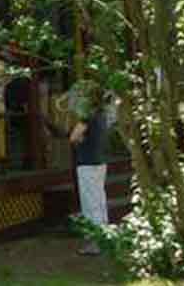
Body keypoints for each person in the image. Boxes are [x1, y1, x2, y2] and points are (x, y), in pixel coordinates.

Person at [71, 104, 108, 256]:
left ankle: (95, 242)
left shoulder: (87, 118)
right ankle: (104, 237)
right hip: (100, 162)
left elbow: (73, 136)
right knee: (100, 201)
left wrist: (79, 138)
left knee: (90, 204)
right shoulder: (102, 117)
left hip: (87, 164)